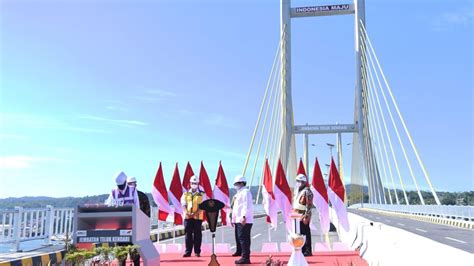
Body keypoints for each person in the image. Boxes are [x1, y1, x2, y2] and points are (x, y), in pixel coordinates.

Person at [104, 171, 140, 266]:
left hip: (132, 227)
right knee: (121, 256)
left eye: (122, 185)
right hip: (119, 228)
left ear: (125, 182)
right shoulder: (113, 192)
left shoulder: (133, 190)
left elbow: (137, 206)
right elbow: (107, 205)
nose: (120, 187)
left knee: (135, 255)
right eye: (118, 185)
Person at [180, 175, 206, 257]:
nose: (194, 184)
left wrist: (194, 214)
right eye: (192, 183)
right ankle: (188, 251)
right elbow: (183, 204)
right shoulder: (185, 194)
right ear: (190, 183)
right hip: (188, 217)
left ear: (198, 184)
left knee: (197, 234)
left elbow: (203, 206)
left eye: (195, 183)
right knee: (188, 234)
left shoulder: (202, 194)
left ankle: (197, 251)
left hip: (197, 218)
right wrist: (186, 212)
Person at [231, 175, 253, 265]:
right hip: (238, 220)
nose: (235, 185)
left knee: (244, 238)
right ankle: (240, 252)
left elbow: (246, 206)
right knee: (240, 237)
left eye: (237, 184)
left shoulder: (245, 192)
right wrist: (233, 219)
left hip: (244, 220)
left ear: (241, 183)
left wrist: (244, 217)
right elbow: (236, 208)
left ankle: (245, 258)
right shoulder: (239, 193)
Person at [293, 174, 314, 257]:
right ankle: (303, 249)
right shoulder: (299, 190)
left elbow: (309, 205)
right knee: (301, 233)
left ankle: (308, 250)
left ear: (303, 182)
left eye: (298, 181)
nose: (297, 183)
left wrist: (306, 216)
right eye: (297, 181)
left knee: (306, 233)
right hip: (297, 215)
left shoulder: (307, 191)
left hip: (303, 215)